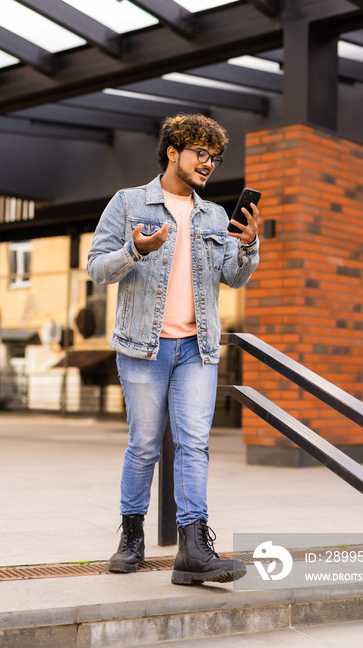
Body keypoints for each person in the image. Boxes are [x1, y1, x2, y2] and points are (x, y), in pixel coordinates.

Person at [87, 113, 259, 585]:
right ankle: (132, 536)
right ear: (173, 152)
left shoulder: (215, 215)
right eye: (201, 153)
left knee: (194, 444)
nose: (209, 164)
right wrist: (136, 252)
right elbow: (97, 267)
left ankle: (194, 548)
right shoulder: (128, 203)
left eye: (215, 157)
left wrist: (248, 246)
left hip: (196, 348)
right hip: (143, 348)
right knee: (144, 445)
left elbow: (234, 278)